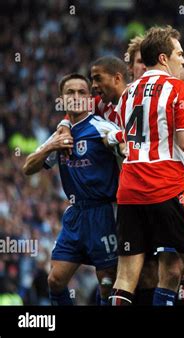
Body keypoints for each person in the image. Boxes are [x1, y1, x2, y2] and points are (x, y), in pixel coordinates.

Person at [108, 25, 184, 306]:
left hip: (129, 189)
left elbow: (138, 137)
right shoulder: (178, 88)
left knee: (126, 276)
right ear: (164, 58)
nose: (182, 59)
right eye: (178, 54)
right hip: (166, 185)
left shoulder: (128, 93)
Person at [23, 73, 121, 305]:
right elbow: (28, 167)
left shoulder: (101, 128)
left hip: (104, 212)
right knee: (55, 280)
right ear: (62, 99)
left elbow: (125, 144)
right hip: (75, 214)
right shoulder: (59, 135)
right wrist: (51, 147)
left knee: (107, 282)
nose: (76, 97)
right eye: (70, 92)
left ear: (89, 98)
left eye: (81, 92)